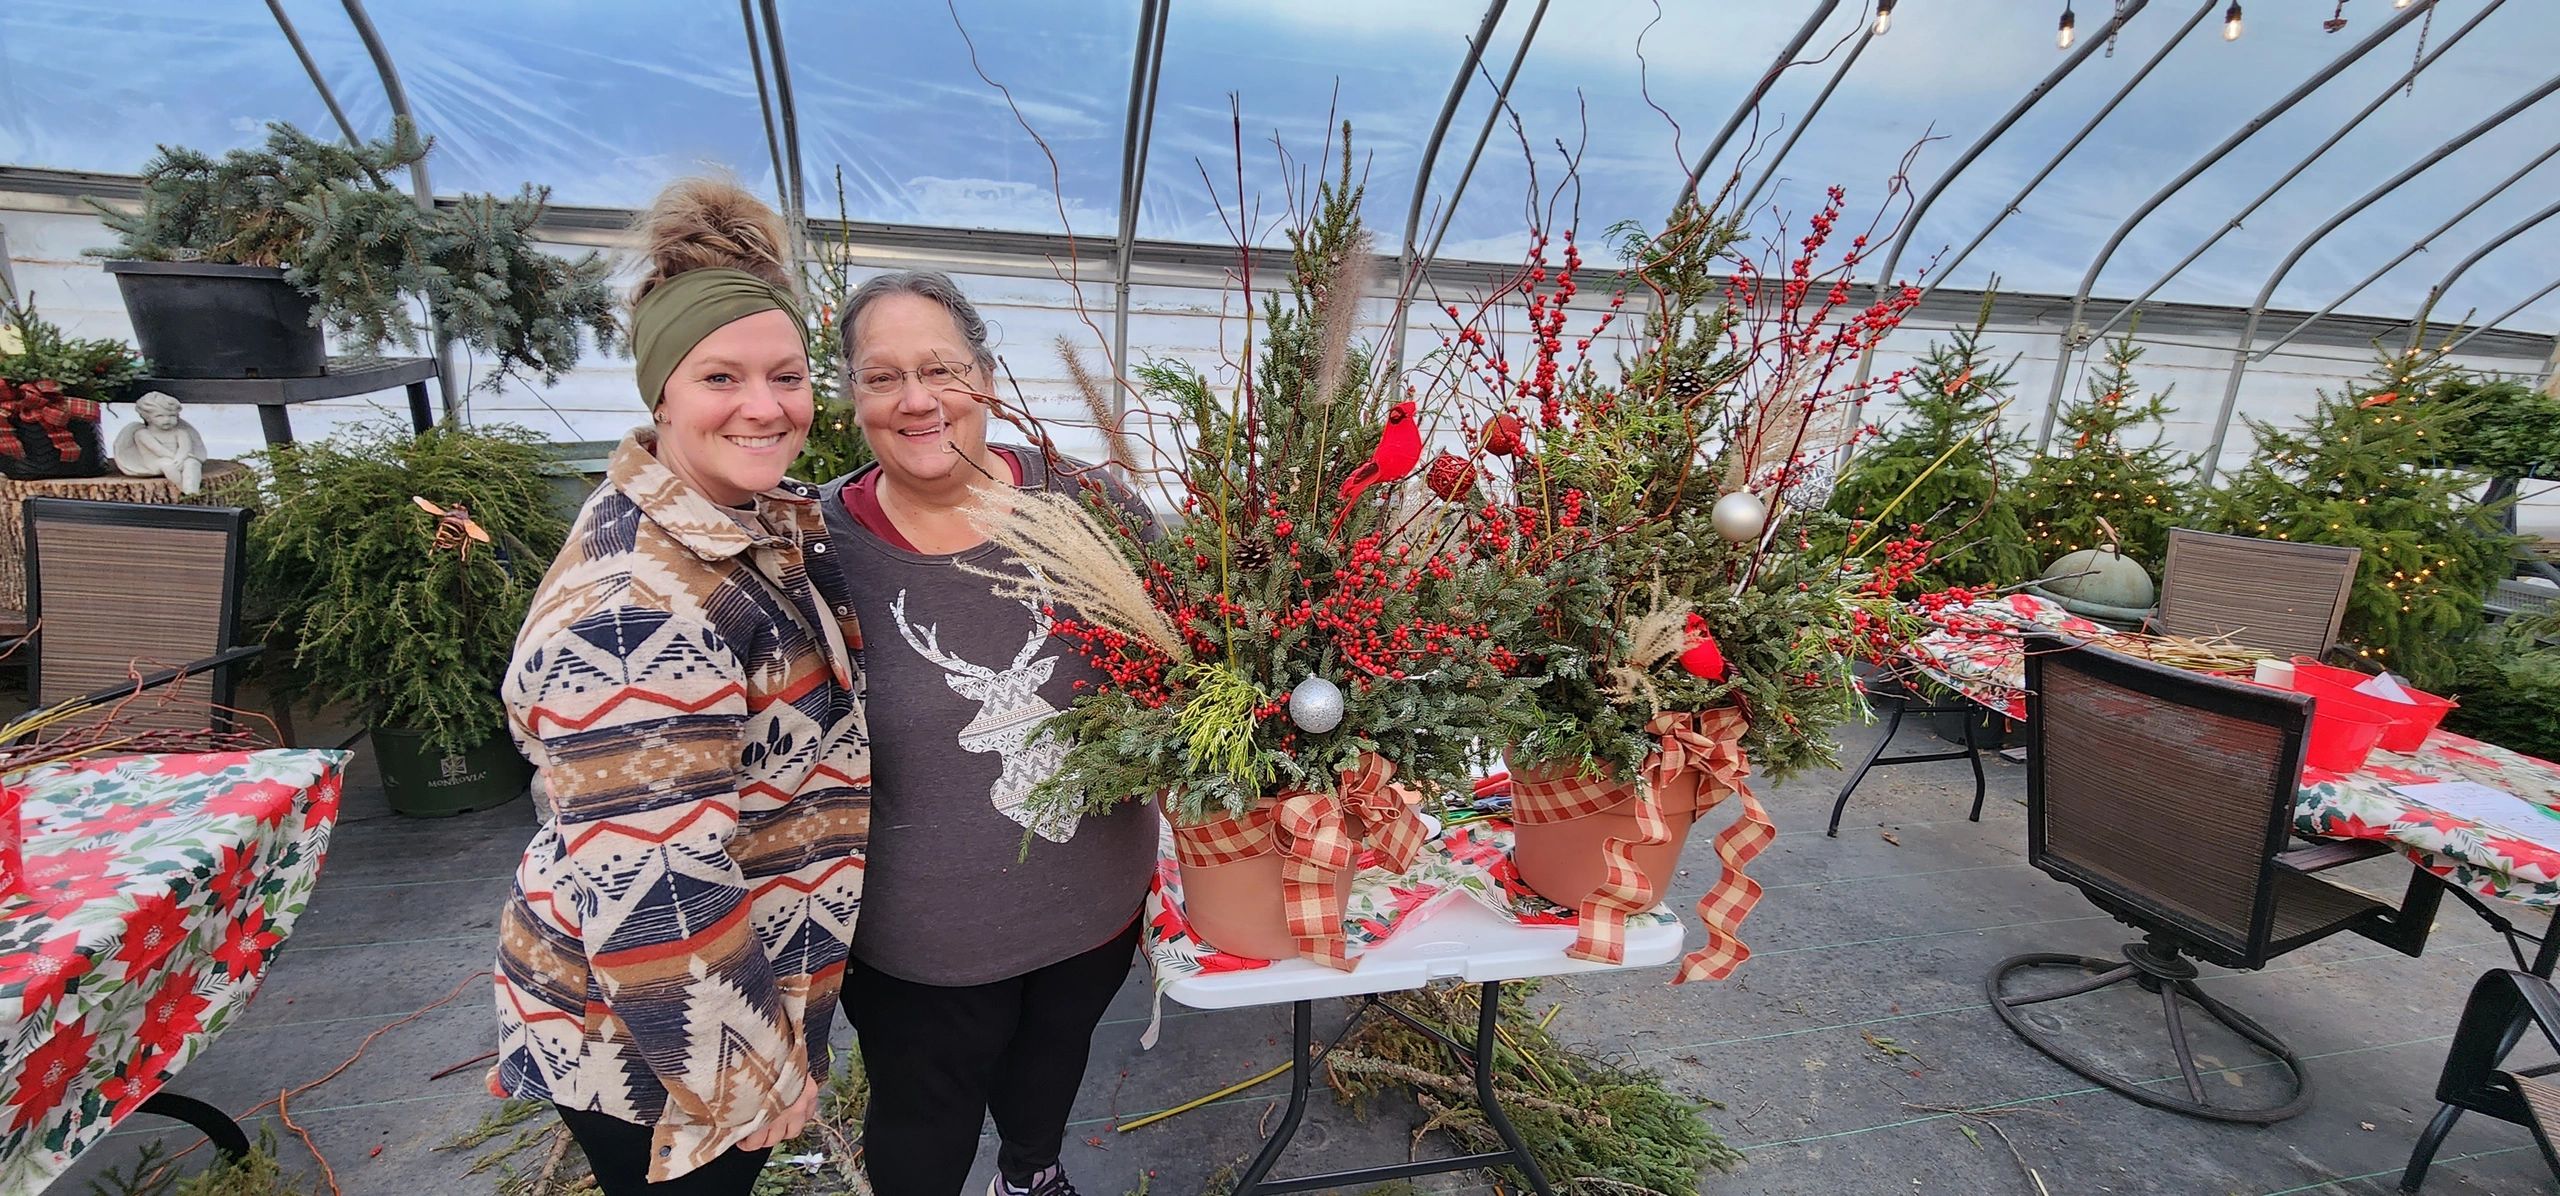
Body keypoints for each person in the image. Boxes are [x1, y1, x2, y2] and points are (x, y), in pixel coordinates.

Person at [490, 179, 869, 1194]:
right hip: (656, 1034)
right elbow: (656, 886)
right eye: (721, 377)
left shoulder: (744, 526)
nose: (764, 405)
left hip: (707, 1001)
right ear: (660, 393)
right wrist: (749, 1081)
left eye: (785, 375)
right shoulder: (634, 612)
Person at [818, 272, 1158, 1196]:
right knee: (922, 1123)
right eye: (882, 377)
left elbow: (1187, 665)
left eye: (941, 369)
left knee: (1049, 1072)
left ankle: (1030, 1173)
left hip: (1092, 913)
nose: (917, 399)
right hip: (918, 943)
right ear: (852, 398)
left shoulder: (1092, 509)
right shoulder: (811, 548)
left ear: (988, 377)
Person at [112, 391, 207, 494]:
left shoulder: (180, 432)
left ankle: (192, 490)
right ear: (147, 417)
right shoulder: (142, 433)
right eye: (160, 416)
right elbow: (158, 450)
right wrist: (175, 459)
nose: (167, 420)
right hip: (155, 463)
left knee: (192, 463)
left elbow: (185, 447)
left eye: (172, 416)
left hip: (178, 459)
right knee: (167, 464)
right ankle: (182, 490)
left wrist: (181, 457)